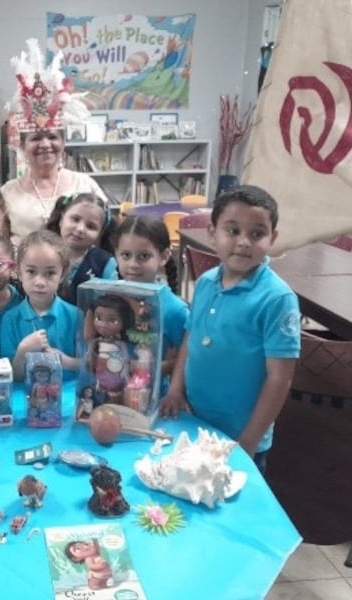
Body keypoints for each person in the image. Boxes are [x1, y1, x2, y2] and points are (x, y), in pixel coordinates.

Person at [159, 185, 301, 473]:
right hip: (195, 420)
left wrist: (248, 442)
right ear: (212, 233)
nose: (244, 242)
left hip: (240, 437)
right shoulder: (206, 283)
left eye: (257, 234)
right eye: (233, 231)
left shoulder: (277, 299)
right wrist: (175, 389)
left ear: (272, 238)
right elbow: (191, 337)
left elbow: (279, 378)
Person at [113, 215, 189, 391]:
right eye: (126, 255)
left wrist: (151, 369)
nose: (133, 264)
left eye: (144, 256)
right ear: (116, 254)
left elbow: (185, 359)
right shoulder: (109, 297)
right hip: (112, 389)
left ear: (163, 257)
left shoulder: (175, 310)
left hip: (153, 396)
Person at [1, 128, 105, 244]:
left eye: (52, 137)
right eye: (36, 138)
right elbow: (1, 242)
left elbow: (104, 232)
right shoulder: (7, 191)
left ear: (63, 142)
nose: (45, 144)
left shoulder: (85, 184)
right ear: (22, 146)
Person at [0, 230, 79, 378]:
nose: (40, 282)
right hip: (24, 397)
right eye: (31, 271)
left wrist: (66, 361)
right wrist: (23, 350)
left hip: (68, 396)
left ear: (62, 274)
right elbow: (12, 376)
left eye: (50, 273)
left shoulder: (76, 316)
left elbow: (90, 365)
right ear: (19, 273)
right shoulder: (10, 319)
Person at [46, 192, 117, 304]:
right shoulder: (42, 253)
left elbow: (111, 303)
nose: (80, 229)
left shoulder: (105, 263)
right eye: (75, 219)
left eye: (91, 226)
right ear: (61, 219)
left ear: (100, 233)